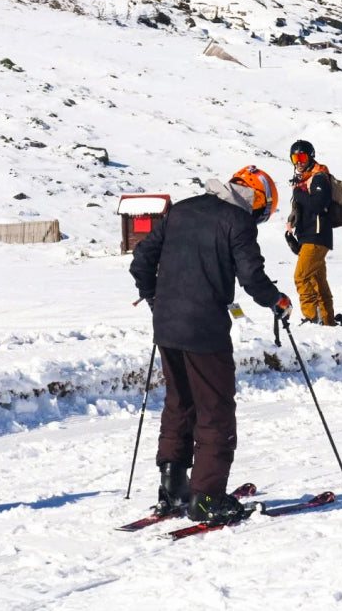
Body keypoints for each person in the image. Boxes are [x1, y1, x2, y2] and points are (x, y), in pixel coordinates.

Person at [130, 165, 292, 525]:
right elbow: (252, 277)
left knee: (179, 403)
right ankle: (206, 498)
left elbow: (142, 259)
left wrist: (153, 297)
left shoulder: (182, 208)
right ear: (259, 203)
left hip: (167, 326)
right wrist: (277, 300)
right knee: (215, 410)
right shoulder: (238, 221)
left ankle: (173, 489)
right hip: (204, 330)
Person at [286, 140, 342, 326]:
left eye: (302, 157)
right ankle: (327, 322)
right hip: (311, 237)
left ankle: (312, 318)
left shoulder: (319, 177)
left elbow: (319, 204)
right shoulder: (304, 181)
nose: (299, 162)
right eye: (295, 158)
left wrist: (300, 193)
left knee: (301, 277)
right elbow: (306, 211)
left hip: (317, 236)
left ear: (310, 157)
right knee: (318, 281)